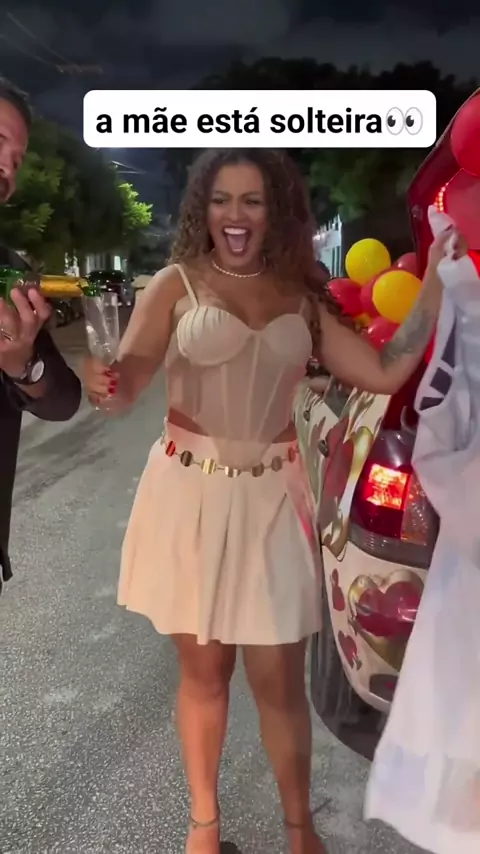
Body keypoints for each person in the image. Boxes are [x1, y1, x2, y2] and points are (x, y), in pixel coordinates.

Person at [82, 148, 461, 854]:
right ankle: (204, 829)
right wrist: (103, 382)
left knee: (279, 684)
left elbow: (383, 370)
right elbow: (126, 382)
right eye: (222, 199)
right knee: (205, 676)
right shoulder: (175, 284)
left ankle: (299, 830)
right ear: (204, 209)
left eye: (252, 200)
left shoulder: (301, 299)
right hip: (190, 496)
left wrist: (435, 284)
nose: (236, 215)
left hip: (269, 501)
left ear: (274, 211)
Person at [0, 78, 82, 594]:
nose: (7, 169)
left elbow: (64, 400)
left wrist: (22, 364)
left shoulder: (9, 272)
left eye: (16, 159)